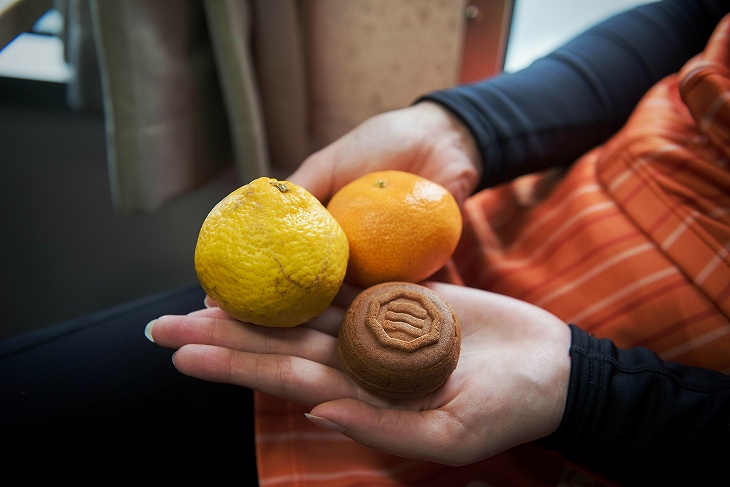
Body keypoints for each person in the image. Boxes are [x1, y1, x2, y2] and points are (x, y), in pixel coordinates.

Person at [1, 0, 729, 484]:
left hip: (630, 380)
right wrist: (463, 126)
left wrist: (595, 394)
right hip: (476, 227)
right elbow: (691, 17)